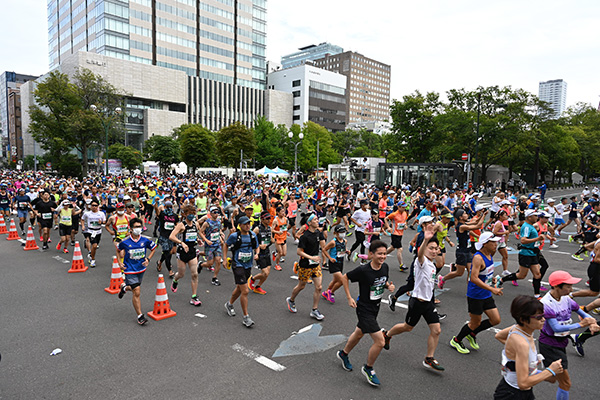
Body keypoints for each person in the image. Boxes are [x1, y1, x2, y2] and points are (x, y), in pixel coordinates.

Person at [382, 223, 445, 372]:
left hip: (428, 303)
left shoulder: (432, 265)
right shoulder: (420, 261)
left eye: (436, 248)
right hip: (417, 302)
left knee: (436, 330)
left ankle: (429, 358)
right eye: (432, 248)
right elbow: (421, 253)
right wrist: (425, 240)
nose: (434, 251)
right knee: (407, 327)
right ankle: (387, 334)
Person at [336, 240, 395, 387]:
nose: (383, 256)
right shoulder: (363, 270)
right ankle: (368, 368)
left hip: (375, 308)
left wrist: (388, 285)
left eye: (384, 253)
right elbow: (345, 277)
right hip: (364, 309)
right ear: (371, 254)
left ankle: (343, 354)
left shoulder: (385, 267)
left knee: (359, 333)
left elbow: (383, 280)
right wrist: (349, 297)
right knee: (380, 341)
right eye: (379, 254)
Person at [538, 271, 600, 400]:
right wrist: (581, 325)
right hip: (550, 344)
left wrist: (592, 322)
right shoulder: (546, 304)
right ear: (556, 286)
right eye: (568, 286)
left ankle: (524, 372)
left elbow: (581, 312)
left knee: (552, 378)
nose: (571, 289)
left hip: (561, 342)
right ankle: (523, 373)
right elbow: (556, 328)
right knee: (565, 383)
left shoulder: (566, 299)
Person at [493, 295, 563, 400]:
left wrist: (517, 354)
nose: (543, 319)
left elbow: (498, 336)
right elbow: (523, 383)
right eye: (539, 317)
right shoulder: (522, 344)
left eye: (543, 315)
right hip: (513, 394)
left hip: (515, 389)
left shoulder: (516, 328)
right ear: (523, 319)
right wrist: (550, 371)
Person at [450, 232, 503, 354]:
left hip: (486, 294)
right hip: (476, 295)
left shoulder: (490, 255)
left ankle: (472, 333)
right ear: (485, 244)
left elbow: (484, 273)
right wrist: (492, 289)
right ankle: (457, 340)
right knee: (475, 322)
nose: (496, 244)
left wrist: (492, 278)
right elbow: (473, 278)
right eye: (493, 242)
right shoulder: (478, 257)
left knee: (495, 320)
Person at [286, 213, 327, 320]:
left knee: (319, 287)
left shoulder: (319, 233)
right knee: (301, 286)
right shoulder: (305, 236)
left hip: (316, 265)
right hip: (305, 265)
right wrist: (311, 257)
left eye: (317, 219)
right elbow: (299, 252)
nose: (317, 221)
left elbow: (323, 247)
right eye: (315, 220)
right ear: (309, 223)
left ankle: (314, 310)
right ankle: (291, 300)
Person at [117, 217, 157, 325]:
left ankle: (124, 287)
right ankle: (140, 316)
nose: (138, 229)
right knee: (137, 291)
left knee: (135, 288)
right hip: (129, 269)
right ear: (131, 229)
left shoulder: (145, 240)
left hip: (141, 268)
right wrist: (120, 263)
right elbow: (118, 250)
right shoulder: (125, 242)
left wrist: (148, 259)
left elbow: (153, 248)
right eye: (136, 227)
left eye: (139, 226)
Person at [438, 207, 485, 289]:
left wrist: (481, 215)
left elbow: (476, 221)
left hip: (468, 251)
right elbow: (477, 226)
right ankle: (443, 278)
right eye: (465, 214)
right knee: (459, 273)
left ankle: (470, 289)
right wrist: (484, 215)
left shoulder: (465, 224)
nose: (467, 215)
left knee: (471, 271)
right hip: (462, 252)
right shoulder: (461, 226)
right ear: (460, 217)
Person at [225, 216, 259, 327]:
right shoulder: (235, 236)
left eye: (249, 223)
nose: (248, 226)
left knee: (240, 288)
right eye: (245, 224)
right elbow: (226, 245)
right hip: (237, 264)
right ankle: (246, 317)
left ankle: (229, 304)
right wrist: (225, 259)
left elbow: (256, 247)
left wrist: (257, 253)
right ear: (240, 225)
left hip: (248, 265)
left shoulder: (252, 235)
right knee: (245, 291)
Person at [501, 210, 544, 291]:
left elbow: (531, 239)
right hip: (526, 253)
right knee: (521, 275)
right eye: (535, 216)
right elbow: (523, 241)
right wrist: (537, 238)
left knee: (537, 274)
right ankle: (502, 280)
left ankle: (537, 295)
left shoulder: (531, 226)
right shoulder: (527, 227)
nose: (537, 217)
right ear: (529, 217)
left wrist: (537, 241)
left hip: (533, 253)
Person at [169, 204, 202, 306]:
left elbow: (195, 234)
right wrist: (181, 243)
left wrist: (198, 240)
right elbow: (171, 236)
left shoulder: (196, 224)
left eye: (193, 213)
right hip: (182, 252)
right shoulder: (181, 225)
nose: (191, 215)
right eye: (189, 214)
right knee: (181, 274)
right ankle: (175, 280)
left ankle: (194, 297)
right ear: (185, 214)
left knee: (195, 274)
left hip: (192, 251)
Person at [322, 225, 350, 303]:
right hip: (334, 263)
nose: (343, 234)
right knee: (342, 280)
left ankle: (325, 292)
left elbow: (344, 249)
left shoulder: (345, 241)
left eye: (344, 232)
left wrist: (347, 251)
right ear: (336, 233)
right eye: (341, 232)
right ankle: (331, 292)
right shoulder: (333, 242)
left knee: (335, 280)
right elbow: (324, 249)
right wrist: (330, 258)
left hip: (341, 262)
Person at [248, 211, 274, 295]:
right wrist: (259, 246)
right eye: (267, 219)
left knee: (267, 273)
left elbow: (270, 239)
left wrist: (272, 240)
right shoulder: (257, 229)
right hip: (259, 253)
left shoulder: (269, 228)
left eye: (270, 218)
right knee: (265, 272)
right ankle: (253, 279)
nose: (269, 220)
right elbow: (249, 240)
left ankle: (258, 286)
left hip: (267, 252)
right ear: (262, 219)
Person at [198, 205, 224, 286]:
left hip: (217, 244)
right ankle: (201, 264)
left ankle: (214, 278)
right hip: (209, 245)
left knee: (218, 261)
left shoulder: (219, 221)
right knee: (209, 263)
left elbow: (218, 230)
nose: (216, 214)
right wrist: (206, 240)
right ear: (211, 213)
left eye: (217, 212)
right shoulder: (207, 223)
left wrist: (221, 234)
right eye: (214, 212)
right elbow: (200, 232)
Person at [156, 200, 178, 278]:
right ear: (165, 207)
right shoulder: (162, 214)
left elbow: (176, 227)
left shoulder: (175, 216)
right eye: (167, 206)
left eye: (170, 206)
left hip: (171, 237)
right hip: (163, 237)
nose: (169, 208)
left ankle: (160, 262)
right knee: (167, 253)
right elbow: (157, 212)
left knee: (169, 253)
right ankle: (170, 271)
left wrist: (175, 243)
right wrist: (156, 204)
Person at [81, 199, 106, 267]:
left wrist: (101, 222)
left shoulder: (101, 213)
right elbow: (82, 219)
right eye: (93, 205)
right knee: (94, 246)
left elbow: (104, 221)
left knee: (95, 246)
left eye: (96, 205)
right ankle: (93, 259)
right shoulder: (87, 213)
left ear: (98, 206)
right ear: (90, 206)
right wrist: (83, 226)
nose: (94, 207)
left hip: (98, 231)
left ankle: (90, 254)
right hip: (90, 231)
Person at [385, 201, 408, 271]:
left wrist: (405, 225)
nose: (404, 209)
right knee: (400, 249)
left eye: (405, 207)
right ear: (399, 207)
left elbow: (405, 221)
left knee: (392, 248)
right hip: (395, 233)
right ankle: (401, 265)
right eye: (403, 207)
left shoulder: (405, 213)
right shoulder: (394, 214)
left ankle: (381, 254)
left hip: (401, 233)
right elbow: (386, 219)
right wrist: (388, 227)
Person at [271, 206, 288, 271]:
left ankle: (275, 254)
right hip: (277, 238)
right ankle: (277, 265)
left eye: (284, 211)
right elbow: (272, 230)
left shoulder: (285, 219)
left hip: (284, 237)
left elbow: (284, 227)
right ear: (278, 212)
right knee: (280, 253)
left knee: (284, 253)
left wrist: (286, 232)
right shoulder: (275, 220)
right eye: (282, 212)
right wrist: (277, 232)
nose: (283, 213)